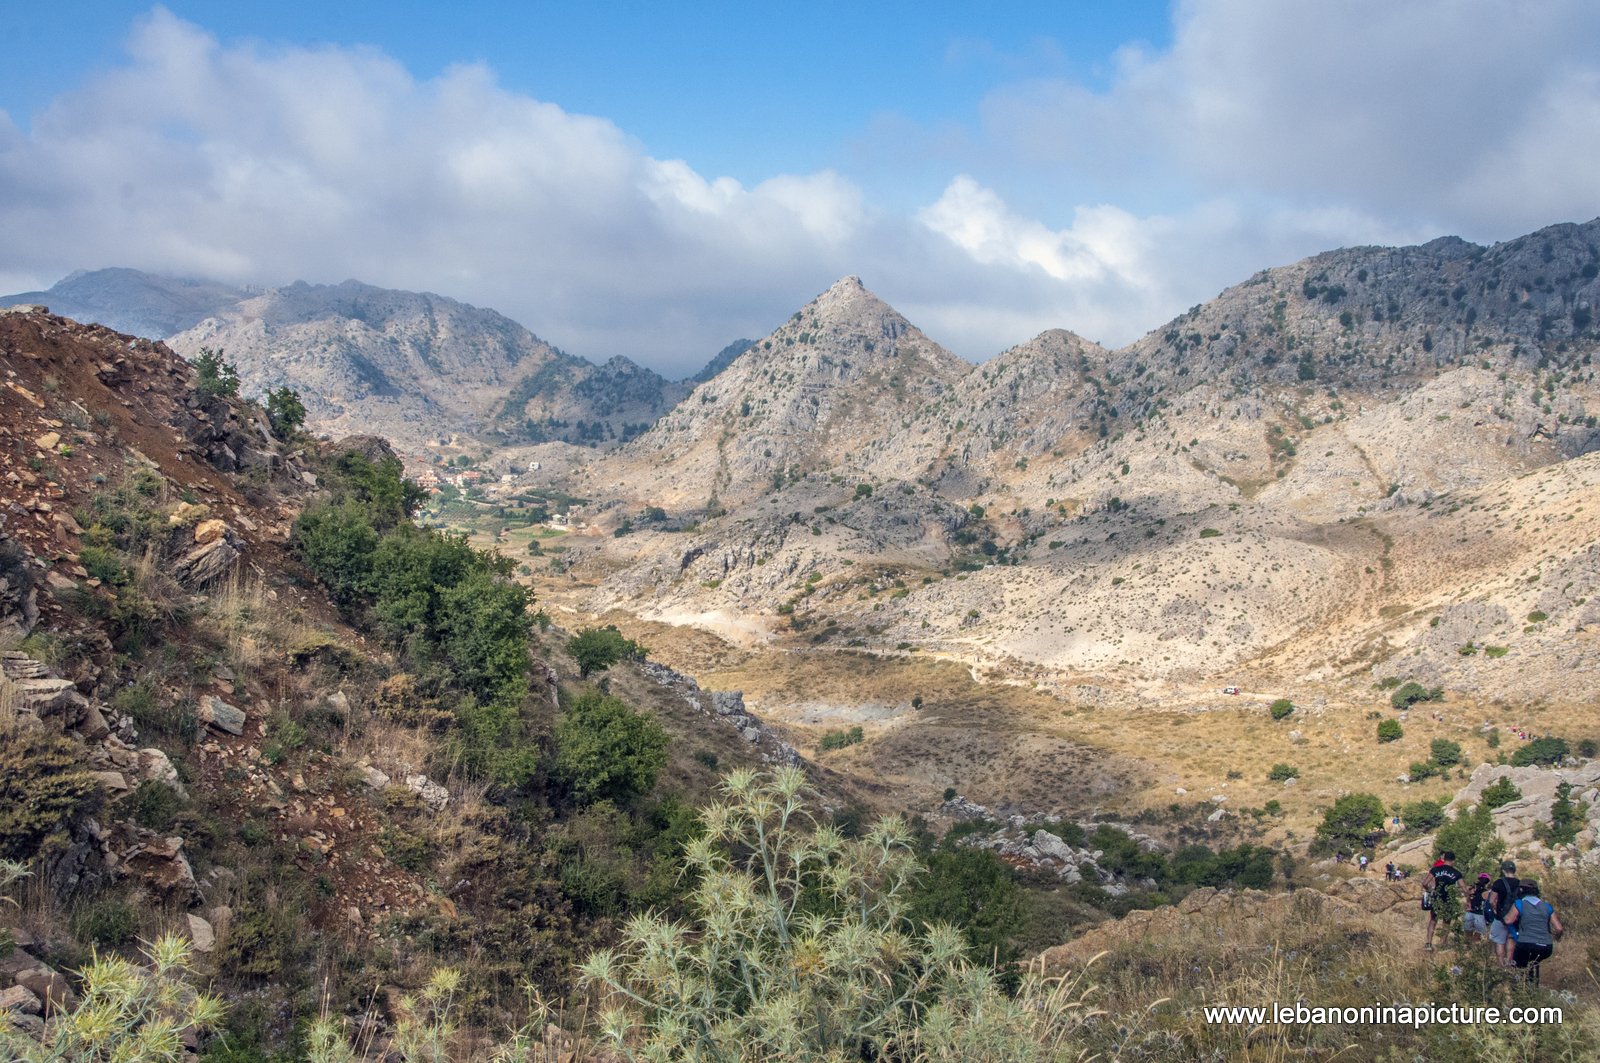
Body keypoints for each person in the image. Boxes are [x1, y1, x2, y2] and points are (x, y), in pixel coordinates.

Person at [1503, 880, 1563, 985]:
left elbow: (1508, 920)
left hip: (1526, 944)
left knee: (1519, 965)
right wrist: (1556, 938)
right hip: (1546, 946)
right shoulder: (1547, 906)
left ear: (1521, 890)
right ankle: (1533, 984)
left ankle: (1519, 988)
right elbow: (1559, 928)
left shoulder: (1519, 904)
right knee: (1535, 961)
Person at [1422, 851, 1463, 952]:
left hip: (1437, 898)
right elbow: (1463, 887)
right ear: (1453, 860)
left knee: (1433, 920)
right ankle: (1443, 943)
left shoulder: (1436, 869)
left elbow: (1425, 883)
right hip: (1449, 899)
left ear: (1443, 859)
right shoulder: (1456, 873)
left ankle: (1428, 943)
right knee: (1447, 922)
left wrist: (1430, 890)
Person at [1488, 860, 1521, 967]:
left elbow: (1491, 900)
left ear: (1503, 870)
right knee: (1511, 940)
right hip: (1515, 918)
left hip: (1500, 917)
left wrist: (1496, 911)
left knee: (1499, 942)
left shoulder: (1499, 883)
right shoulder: (1520, 883)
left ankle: (1501, 965)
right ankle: (1509, 963)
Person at [1464, 873, 1492, 940]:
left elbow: (1467, 898)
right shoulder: (1486, 892)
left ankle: (1468, 946)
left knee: (1468, 934)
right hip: (1479, 914)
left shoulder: (1471, 889)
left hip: (1469, 913)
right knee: (1477, 935)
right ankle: (1473, 947)